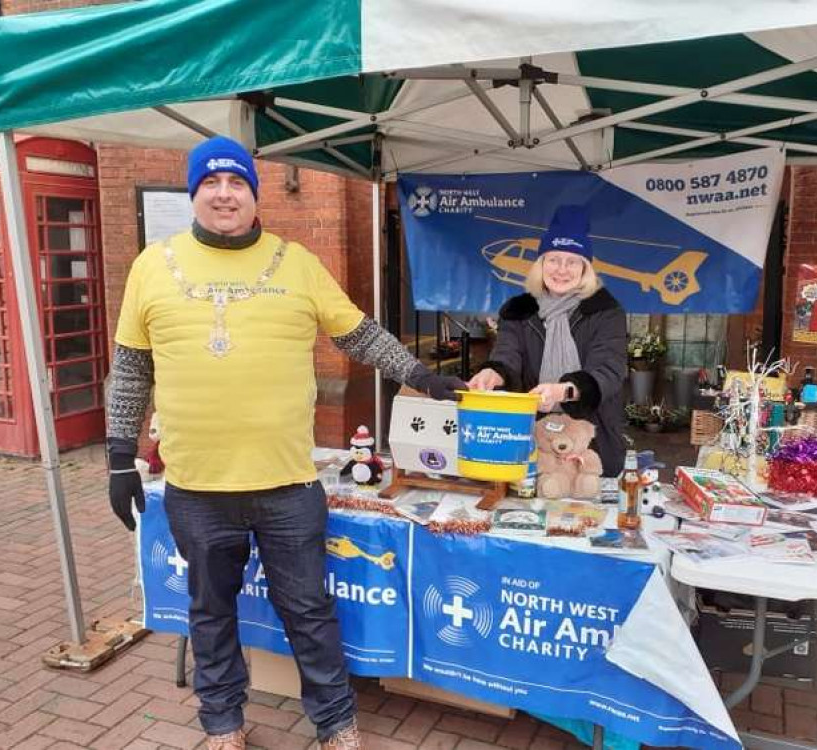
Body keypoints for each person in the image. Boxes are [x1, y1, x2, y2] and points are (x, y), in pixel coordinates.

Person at [105, 136, 464, 750]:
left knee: (309, 613)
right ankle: (223, 725)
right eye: (210, 184)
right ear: (194, 193)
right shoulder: (151, 266)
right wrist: (119, 455)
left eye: (236, 183)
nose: (224, 194)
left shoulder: (295, 262)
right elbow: (132, 367)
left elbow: (360, 335)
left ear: (253, 192)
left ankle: (335, 724)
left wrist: (423, 376)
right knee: (212, 615)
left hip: (288, 485)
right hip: (197, 486)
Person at [468, 205, 628, 476]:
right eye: (553, 259)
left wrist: (564, 391)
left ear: (584, 268)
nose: (561, 270)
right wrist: (492, 373)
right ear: (541, 264)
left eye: (572, 261)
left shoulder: (605, 312)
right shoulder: (519, 310)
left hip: (592, 440)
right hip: (532, 437)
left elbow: (608, 371)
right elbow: (508, 356)